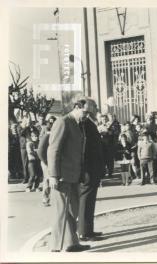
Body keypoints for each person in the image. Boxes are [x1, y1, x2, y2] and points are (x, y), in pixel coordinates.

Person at [47, 98, 90, 252]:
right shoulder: (63, 122)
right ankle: (56, 246)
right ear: (76, 107)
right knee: (61, 211)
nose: (87, 116)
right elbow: (53, 150)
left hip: (73, 174)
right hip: (62, 175)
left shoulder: (78, 124)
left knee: (72, 210)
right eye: (85, 112)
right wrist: (53, 175)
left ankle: (71, 243)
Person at [78, 99, 106, 241]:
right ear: (87, 106)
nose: (96, 107)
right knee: (86, 199)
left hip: (94, 167)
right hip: (88, 168)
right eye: (94, 105)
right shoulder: (84, 122)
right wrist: (85, 169)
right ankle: (83, 232)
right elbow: (84, 148)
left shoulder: (91, 122)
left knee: (90, 200)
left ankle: (89, 230)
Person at [37, 119, 56, 206]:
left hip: (52, 161)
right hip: (46, 162)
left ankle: (54, 198)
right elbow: (40, 151)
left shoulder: (55, 135)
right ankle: (46, 199)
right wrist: (45, 161)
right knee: (48, 179)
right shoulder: (47, 136)